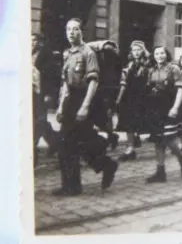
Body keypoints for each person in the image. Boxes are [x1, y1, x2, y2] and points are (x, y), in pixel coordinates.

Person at [54, 18, 118, 196]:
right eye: (68, 29)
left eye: (75, 29)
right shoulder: (67, 54)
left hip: (85, 99)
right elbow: (65, 84)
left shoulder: (88, 53)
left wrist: (85, 106)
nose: (71, 33)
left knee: (68, 142)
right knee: (75, 142)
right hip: (70, 100)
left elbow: (93, 82)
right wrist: (60, 107)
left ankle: (73, 185)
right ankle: (105, 165)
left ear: (82, 31)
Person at [144, 46, 182, 183]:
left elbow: (181, 89)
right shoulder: (151, 70)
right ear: (154, 56)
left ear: (167, 54)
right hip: (155, 109)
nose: (159, 55)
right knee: (158, 140)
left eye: (162, 53)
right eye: (157, 53)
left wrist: (175, 107)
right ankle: (160, 172)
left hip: (169, 107)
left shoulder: (173, 69)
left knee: (169, 138)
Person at [116, 40, 150, 161]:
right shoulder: (129, 65)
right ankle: (130, 148)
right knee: (128, 123)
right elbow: (124, 81)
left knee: (141, 121)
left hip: (142, 96)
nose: (136, 52)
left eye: (138, 50)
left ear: (143, 50)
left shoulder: (147, 64)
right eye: (134, 50)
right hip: (129, 97)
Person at [31, 34, 60, 167]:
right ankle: (56, 143)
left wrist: (49, 94)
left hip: (40, 93)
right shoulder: (25, 52)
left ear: (40, 42)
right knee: (39, 122)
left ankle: (33, 152)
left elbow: (53, 77)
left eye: (34, 40)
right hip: (28, 92)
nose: (31, 43)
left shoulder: (46, 55)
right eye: (30, 40)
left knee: (38, 122)